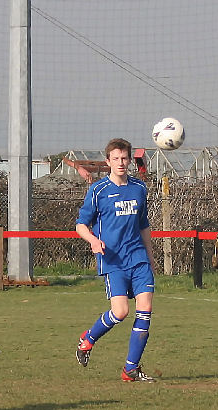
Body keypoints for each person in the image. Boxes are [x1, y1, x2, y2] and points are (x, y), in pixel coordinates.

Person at [74, 138, 158, 382]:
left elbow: (144, 226)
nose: (121, 162)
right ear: (108, 161)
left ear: (130, 160)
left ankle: (130, 369)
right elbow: (81, 225)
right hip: (113, 261)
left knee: (145, 311)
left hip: (138, 259)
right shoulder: (98, 190)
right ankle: (88, 339)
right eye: (116, 159)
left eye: (124, 158)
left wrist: (150, 257)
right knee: (120, 312)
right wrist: (93, 240)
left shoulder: (139, 189)